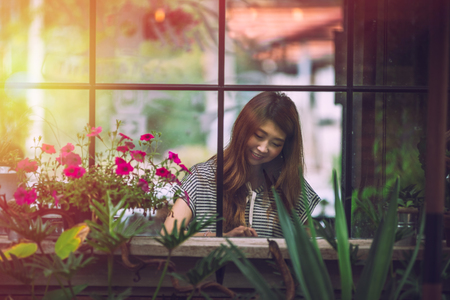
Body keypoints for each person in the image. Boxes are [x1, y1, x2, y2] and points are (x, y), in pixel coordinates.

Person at [163, 91, 321, 237]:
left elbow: (308, 250)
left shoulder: (294, 188)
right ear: (242, 129)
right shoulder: (202, 177)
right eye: (259, 135)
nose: (263, 148)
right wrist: (223, 238)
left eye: (276, 143)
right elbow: (169, 234)